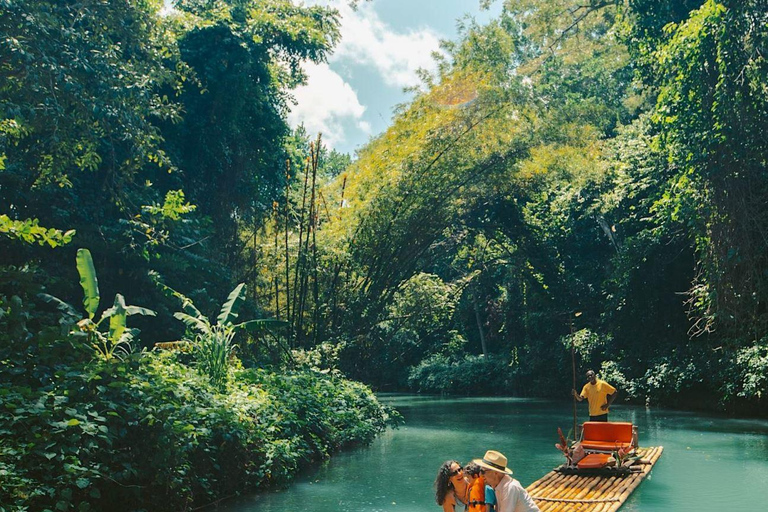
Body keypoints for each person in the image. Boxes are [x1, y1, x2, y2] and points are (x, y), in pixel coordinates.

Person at [473, 450, 540, 512]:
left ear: (495, 473)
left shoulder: (510, 488)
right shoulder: (498, 486)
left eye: (483, 471)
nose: (480, 474)